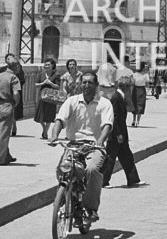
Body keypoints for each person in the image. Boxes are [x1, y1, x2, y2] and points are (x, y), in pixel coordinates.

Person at [47, 71, 113, 222]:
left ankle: (90, 208)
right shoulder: (72, 101)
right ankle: (64, 196)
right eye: (84, 82)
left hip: (94, 146)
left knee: (91, 169)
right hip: (73, 144)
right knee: (63, 168)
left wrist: (100, 141)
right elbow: (60, 119)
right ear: (80, 84)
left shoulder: (104, 103)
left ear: (96, 85)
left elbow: (107, 125)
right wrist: (54, 135)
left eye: (90, 82)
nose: (86, 85)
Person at [98, 64, 143, 188]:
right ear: (126, 88)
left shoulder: (120, 97)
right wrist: (118, 134)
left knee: (127, 157)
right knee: (110, 158)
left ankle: (133, 179)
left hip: (121, 134)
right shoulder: (116, 98)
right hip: (116, 134)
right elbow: (115, 118)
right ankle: (102, 181)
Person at [34, 56, 63, 140]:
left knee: (49, 115)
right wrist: (43, 83)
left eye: (48, 65)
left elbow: (57, 86)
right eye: (45, 64)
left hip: (52, 97)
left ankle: (45, 132)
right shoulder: (41, 74)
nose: (46, 66)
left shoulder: (56, 75)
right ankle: (45, 130)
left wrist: (50, 83)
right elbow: (36, 84)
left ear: (52, 66)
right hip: (42, 96)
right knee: (40, 114)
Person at [7, 53, 26, 137]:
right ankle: (9, 128)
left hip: (15, 91)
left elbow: (22, 80)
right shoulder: (3, 69)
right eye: (8, 59)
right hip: (6, 92)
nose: (9, 60)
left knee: (13, 110)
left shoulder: (19, 69)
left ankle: (13, 126)